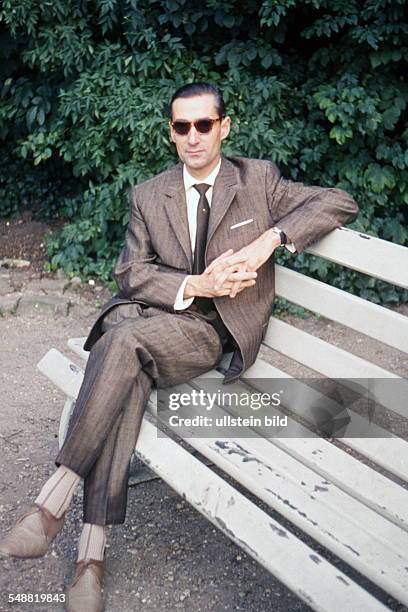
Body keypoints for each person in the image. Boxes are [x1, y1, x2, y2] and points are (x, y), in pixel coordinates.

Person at [0, 82, 359, 611]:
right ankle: (89, 556)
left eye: (203, 125)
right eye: (181, 127)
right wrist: (195, 286)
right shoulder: (150, 193)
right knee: (127, 358)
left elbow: (339, 201)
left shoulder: (257, 179)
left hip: (212, 331)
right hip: (152, 322)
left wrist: (267, 242)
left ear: (224, 126)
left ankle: (54, 503)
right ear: (171, 132)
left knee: (121, 343)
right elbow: (130, 273)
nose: (192, 137)